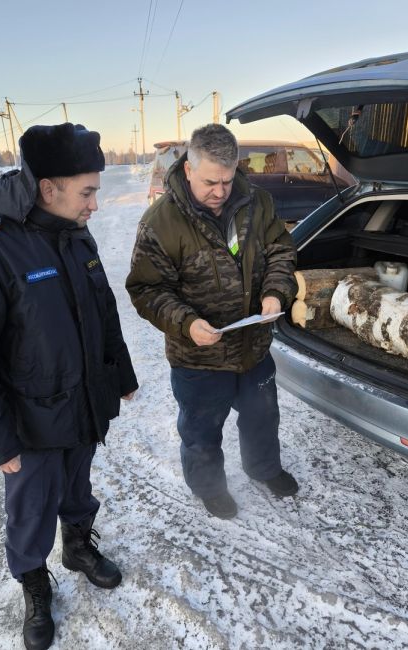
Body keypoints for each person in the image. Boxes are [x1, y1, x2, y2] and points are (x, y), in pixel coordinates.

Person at [0, 123, 138, 650]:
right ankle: (33, 581)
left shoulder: (75, 233)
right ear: (50, 188)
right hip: (29, 421)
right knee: (30, 510)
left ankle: (76, 547)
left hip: (82, 403)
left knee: (78, 488)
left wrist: (119, 375)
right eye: (88, 191)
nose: (96, 203)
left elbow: (102, 310)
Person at [126, 123, 298, 520]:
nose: (220, 191)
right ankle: (209, 488)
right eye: (210, 182)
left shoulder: (258, 203)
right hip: (198, 357)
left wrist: (276, 291)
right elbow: (147, 290)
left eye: (226, 180)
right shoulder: (159, 222)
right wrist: (186, 323)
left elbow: (281, 252)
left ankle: (264, 469)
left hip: (253, 347)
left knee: (262, 416)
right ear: (188, 169)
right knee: (201, 430)